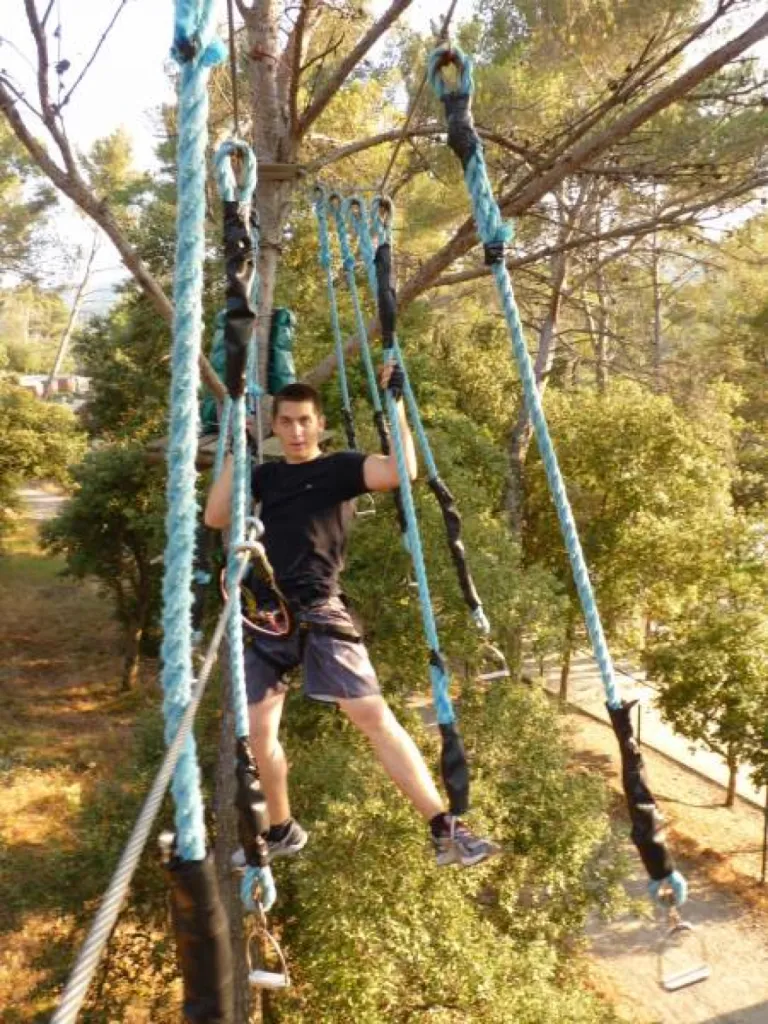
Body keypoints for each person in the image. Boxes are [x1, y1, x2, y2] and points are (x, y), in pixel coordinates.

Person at [205, 365, 499, 868]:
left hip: (319, 611)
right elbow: (215, 515)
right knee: (256, 735)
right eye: (287, 422)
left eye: (305, 421)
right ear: (275, 427)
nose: (296, 432)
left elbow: (399, 471)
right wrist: (237, 448)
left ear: (319, 425)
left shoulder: (338, 468)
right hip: (267, 618)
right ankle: (281, 827)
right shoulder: (265, 475)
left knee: (371, 716)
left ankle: (444, 825)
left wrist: (396, 406)